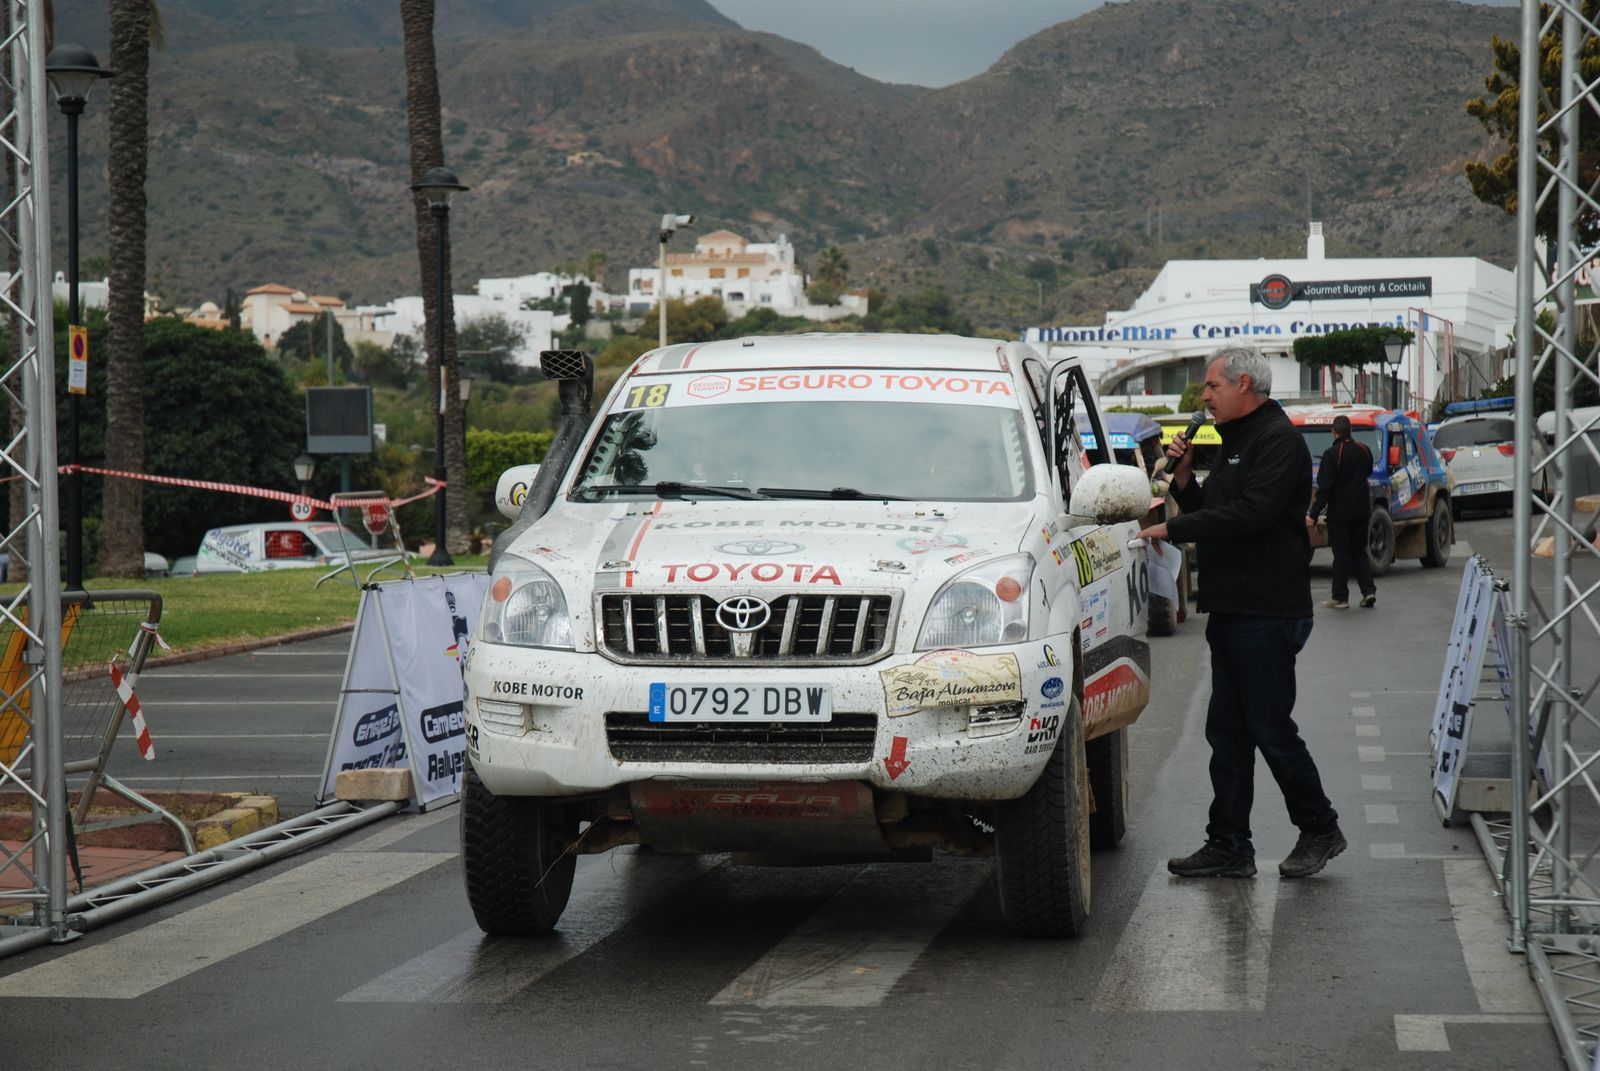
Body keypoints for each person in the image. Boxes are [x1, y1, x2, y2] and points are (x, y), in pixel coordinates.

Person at [1135, 346, 1345, 880]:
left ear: (1244, 384)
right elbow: (1216, 512)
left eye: (1211, 387)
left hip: (1268, 611)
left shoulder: (1279, 442)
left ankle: (1320, 826)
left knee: (1268, 727)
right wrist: (1183, 480)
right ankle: (1229, 843)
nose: (1203, 397)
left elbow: (1253, 514)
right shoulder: (1232, 441)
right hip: (1232, 608)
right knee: (1226, 731)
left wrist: (1173, 528)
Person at [1307, 414, 1376, 610]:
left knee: (1341, 554)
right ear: (1351, 430)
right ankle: (1368, 591)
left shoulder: (1331, 454)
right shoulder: (1364, 450)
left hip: (1341, 514)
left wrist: (1313, 514)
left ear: (1333, 432)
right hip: (1362, 511)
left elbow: (1324, 488)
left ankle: (1340, 597)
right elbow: (1368, 472)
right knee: (1360, 552)